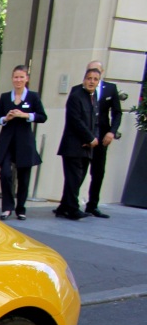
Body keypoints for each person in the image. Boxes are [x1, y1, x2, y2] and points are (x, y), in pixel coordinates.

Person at [0, 65, 46, 220]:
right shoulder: (4, 97)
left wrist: (25, 115)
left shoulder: (33, 97)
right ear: (12, 78)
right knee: (5, 174)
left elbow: (42, 116)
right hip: (7, 141)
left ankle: (20, 208)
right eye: (16, 77)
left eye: (21, 77)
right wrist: (5, 118)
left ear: (27, 79)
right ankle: (7, 207)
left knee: (24, 177)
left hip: (24, 142)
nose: (18, 80)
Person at [55, 67, 101, 220]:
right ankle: (72, 209)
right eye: (89, 78)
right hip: (73, 147)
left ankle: (63, 207)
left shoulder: (94, 99)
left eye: (95, 79)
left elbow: (95, 122)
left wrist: (93, 139)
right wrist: (90, 138)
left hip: (87, 148)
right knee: (74, 179)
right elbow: (75, 121)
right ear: (84, 80)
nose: (91, 82)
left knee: (77, 179)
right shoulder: (76, 96)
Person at [84, 60, 122, 217]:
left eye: (97, 71)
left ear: (102, 72)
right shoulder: (82, 89)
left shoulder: (110, 89)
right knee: (78, 172)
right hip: (85, 137)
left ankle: (92, 205)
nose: (93, 75)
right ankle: (69, 204)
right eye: (90, 71)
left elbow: (117, 112)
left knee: (98, 172)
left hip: (102, 136)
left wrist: (112, 132)